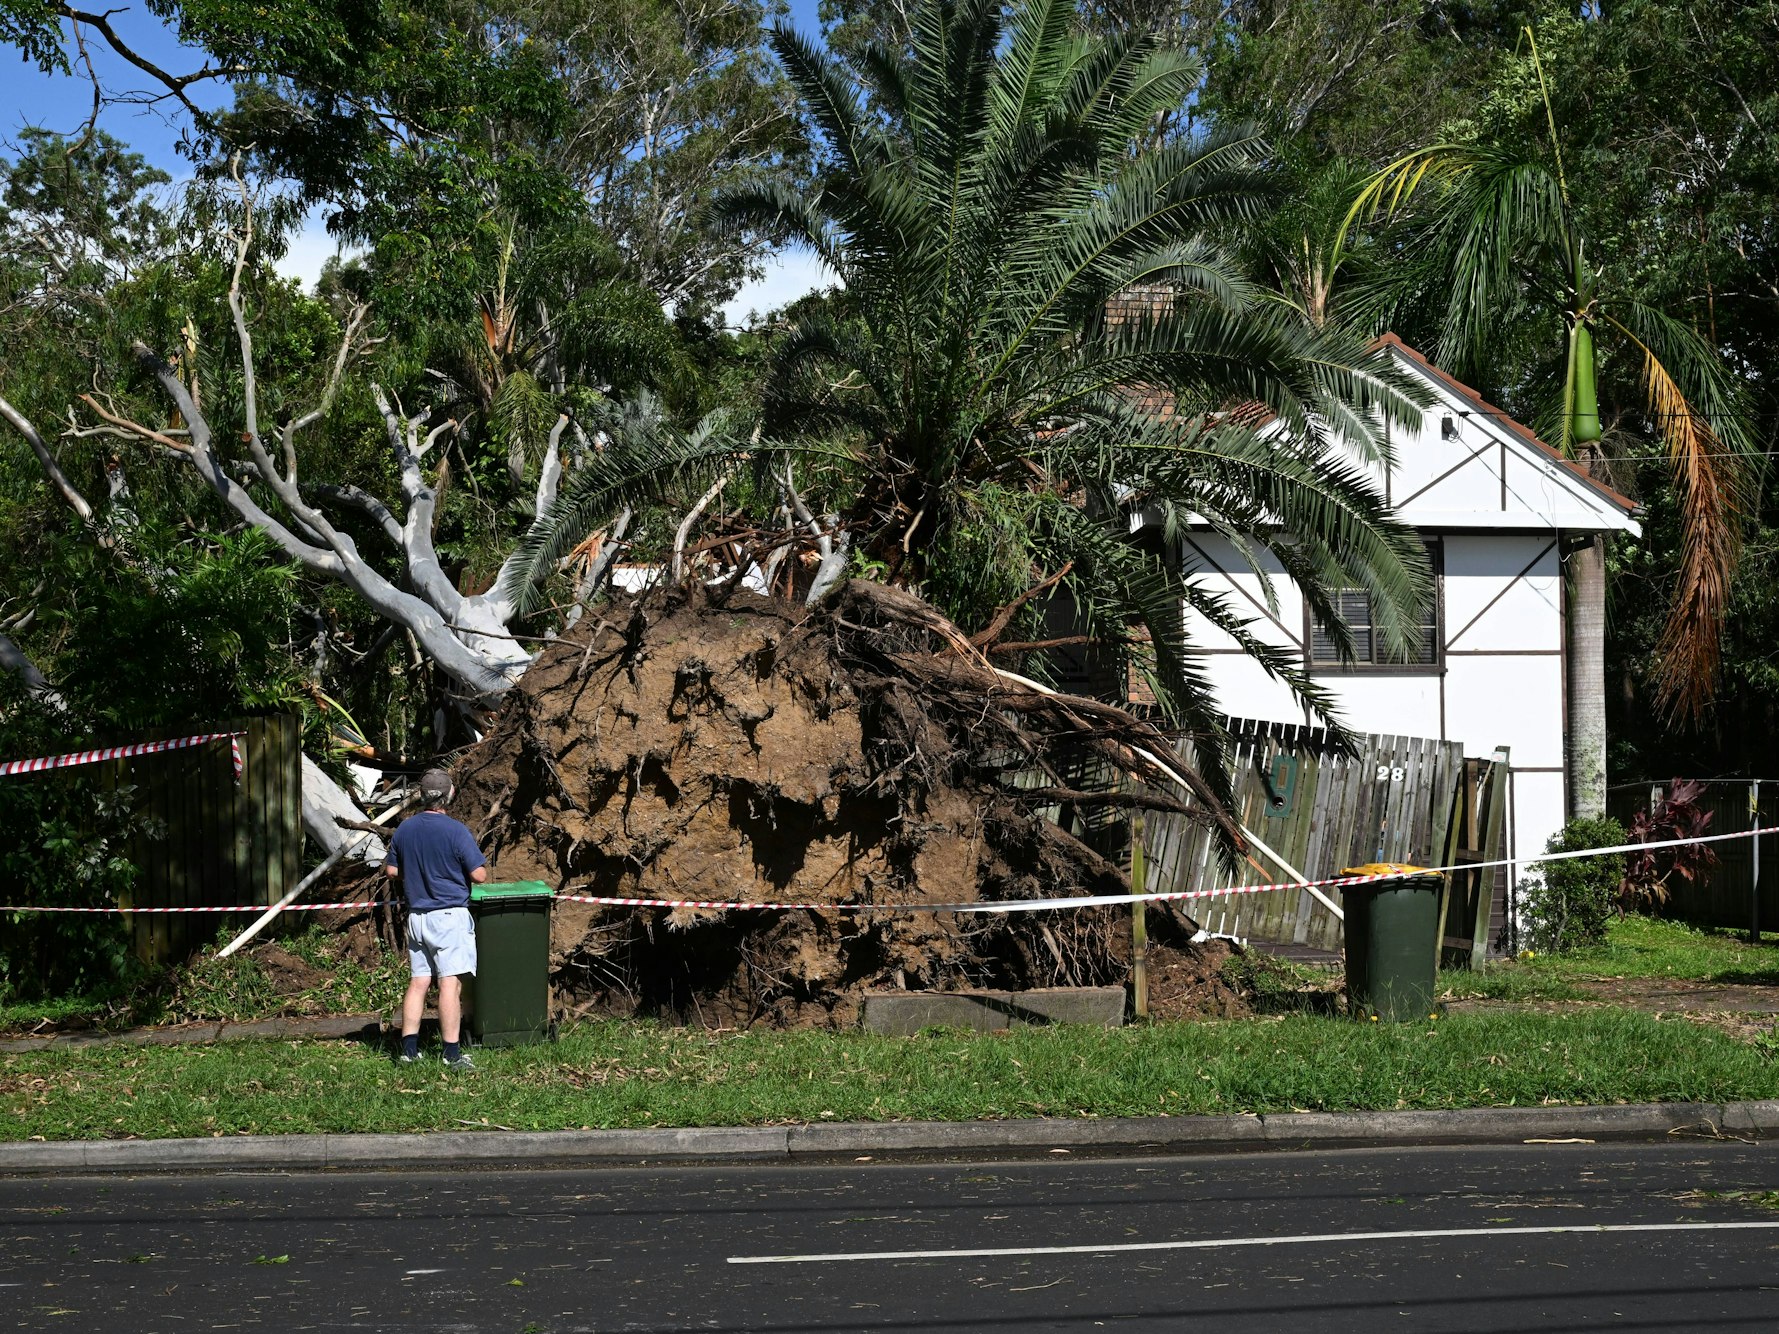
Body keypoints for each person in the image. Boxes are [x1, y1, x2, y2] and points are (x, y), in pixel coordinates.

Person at [384, 768, 488, 1069]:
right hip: (448, 917)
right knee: (449, 985)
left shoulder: (405, 829)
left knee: (418, 982)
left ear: (421, 795)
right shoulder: (455, 831)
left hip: (417, 918)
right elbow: (479, 874)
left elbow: (391, 871)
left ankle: (408, 1051)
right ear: (450, 795)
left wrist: (417, 873)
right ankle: (451, 1054)